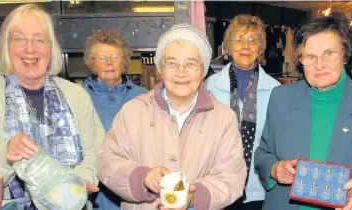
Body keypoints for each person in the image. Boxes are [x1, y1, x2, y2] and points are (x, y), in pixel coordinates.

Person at [97, 23, 247, 210]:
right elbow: (107, 162)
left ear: (203, 69)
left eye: (191, 64)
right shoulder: (133, 111)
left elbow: (231, 176)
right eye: (172, 63)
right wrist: (142, 177)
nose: (181, 72)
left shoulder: (224, 119)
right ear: (160, 69)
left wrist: (194, 196)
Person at [0, 4, 104, 209]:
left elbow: (96, 152)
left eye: (39, 39)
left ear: (51, 47)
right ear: (6, 46)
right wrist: (5, 154)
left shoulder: (76, 96)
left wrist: (76, 186)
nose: (29, 48)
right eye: (19, 39)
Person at [254, 13, 352, 210]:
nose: (319, 65)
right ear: (300, 59)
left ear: (345, 54)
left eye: (329, 54)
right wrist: (274, 168)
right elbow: (263, 153)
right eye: (310, 57)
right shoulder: (281, 97)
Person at [206, 14, 280, 210]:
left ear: (260, 47)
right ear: (228, 46)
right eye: (238, 39)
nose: (246, 46)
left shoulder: (276, 90)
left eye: (252, 40)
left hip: (260, 188)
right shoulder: (209, 86)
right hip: (219, 184)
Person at [82, 30, 148, 209]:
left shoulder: (143, 97)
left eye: (114, 56)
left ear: (124, 61)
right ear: (92, 64)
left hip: (136, 188)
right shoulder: (79, 96)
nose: (109, 63)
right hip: (94, 190)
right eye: (102, 58)